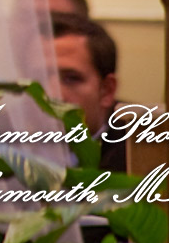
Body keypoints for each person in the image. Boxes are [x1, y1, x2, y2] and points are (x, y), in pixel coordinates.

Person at [50, 11, 125, 170]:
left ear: (106, 91)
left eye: (71, 79)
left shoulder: (135, 157)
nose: (53, 94)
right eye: (39, 80)